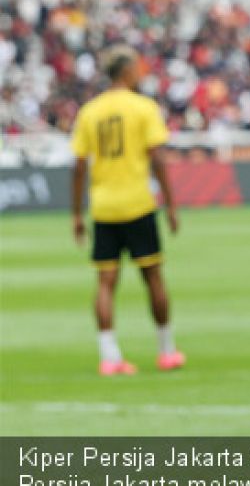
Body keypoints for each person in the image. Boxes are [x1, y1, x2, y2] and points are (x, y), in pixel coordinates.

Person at [71, 44, 185, 376]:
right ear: (127, 71)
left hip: (103, 206)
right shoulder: (143, 107)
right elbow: (158, 158)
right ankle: (166, 351)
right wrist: (171, 203)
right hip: (138, 203)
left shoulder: (89, 111)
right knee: (153, 278)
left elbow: (78, 165)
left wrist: (77, 214)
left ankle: (109, 357)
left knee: (105, 282)